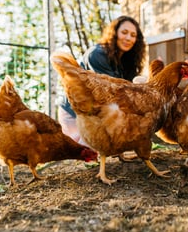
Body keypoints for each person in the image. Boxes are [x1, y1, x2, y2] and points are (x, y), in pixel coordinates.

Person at [58, 15, 146, 145]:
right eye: (124, 32)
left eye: (133, 35)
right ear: (114, 33)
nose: (128, 38)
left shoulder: (127, 60)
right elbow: (108, 96)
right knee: (89, 153)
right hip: (76, 114)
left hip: (96, 113)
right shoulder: (97, 54)